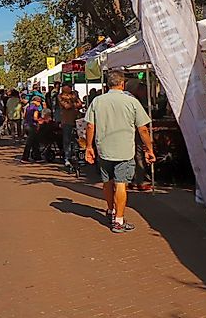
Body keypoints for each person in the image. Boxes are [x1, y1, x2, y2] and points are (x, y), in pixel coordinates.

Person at [82, 70, 156, 233]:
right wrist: (149, 149)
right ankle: (119, 221)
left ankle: (110, 210)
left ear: (108, 84)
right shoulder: (132, 101)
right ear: (122, 84)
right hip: (124, 150)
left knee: (107, 181)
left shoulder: (97, 101)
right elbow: (142, 129)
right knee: (121, 184)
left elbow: (90, 126)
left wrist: (89, 147)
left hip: (103, 149)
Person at [58, 84, 83, 171]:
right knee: (67, 140)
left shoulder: (74, 94)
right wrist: (73, 103)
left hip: (76, 120)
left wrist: (73, 102)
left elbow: (80, 104)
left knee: (78, 139)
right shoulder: (60, 96)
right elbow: (66, 106)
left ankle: (78, 157)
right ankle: (67, 158)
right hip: (66, 120)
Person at [21, 96, 43, 163]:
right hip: (32, 126)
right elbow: (35, 117)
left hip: (26, 125)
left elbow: (24, 116)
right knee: (29, 143)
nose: (40, 104)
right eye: (40, 102)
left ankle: (37, 157)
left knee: (35, 142)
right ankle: (25, 158)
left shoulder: (28, 107)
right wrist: (40, 120)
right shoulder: (35, 108)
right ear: (37, 101)